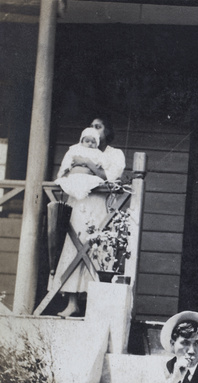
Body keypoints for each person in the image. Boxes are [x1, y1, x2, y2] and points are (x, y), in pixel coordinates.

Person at [51, 116, 125, 317]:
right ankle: (72, 303)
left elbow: (112, 177)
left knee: (95, 250)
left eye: (98, 127)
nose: (93, 130)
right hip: (79, 203)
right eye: (91, 127)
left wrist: (87, 163)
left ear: (107, 132)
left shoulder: (114, 154)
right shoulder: (76, 149)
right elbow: (64, 173)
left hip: (99, 206)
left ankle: (94, 305)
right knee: (73, 247)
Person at [54, 127, 109, 201]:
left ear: (97, 143)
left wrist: (100, 163)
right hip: (75, 175)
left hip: (89, 176)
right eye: (87, 141)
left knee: (91, 182)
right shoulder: (75, 149)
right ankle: (78, 194)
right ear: (82, 141)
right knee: (73, 181)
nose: (90, 144)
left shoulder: (98, 153)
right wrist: (65, 169)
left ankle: (82, 193)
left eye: (93, 142)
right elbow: (67, 161)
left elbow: (103, 161)